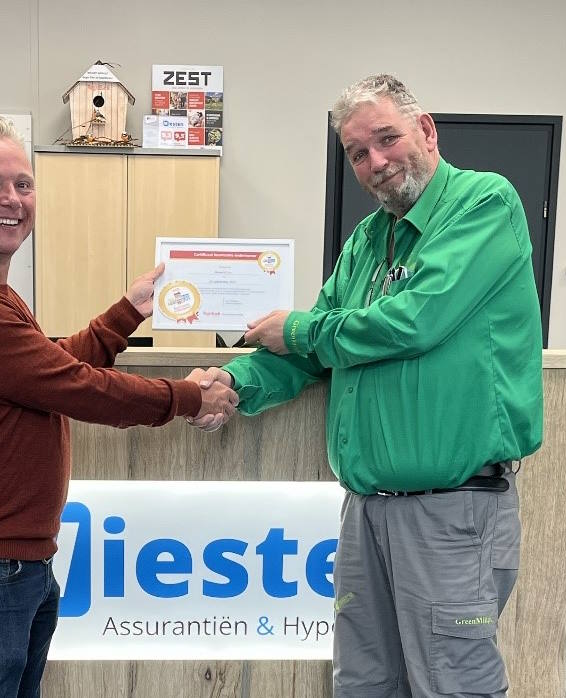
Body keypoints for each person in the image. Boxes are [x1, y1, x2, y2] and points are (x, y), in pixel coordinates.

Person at [188, 75, 543, 697]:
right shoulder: (366, 241)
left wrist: (298, 328)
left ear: (425, 130)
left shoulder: (484, 203)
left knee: (454, 686)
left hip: (450, 509)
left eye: (386, 139)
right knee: (363, 683)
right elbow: (311, 351)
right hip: (367, 510)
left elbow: (415, 320)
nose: (376, 162)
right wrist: (231, 382)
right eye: (358, 153)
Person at [0, 115, 238, 698]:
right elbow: (78, 387)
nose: (12, 199)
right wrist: (188, 396)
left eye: (23, 184)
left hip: (4, 563)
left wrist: (127, 312)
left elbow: (47, 373)